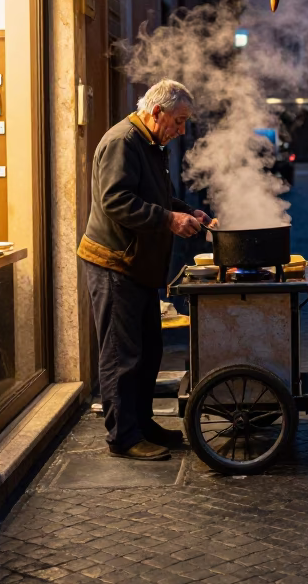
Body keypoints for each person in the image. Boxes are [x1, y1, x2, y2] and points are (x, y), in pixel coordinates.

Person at [77, 79, 212, 460]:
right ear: (157, 113)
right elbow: (116, 201)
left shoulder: (150, 142)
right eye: (180, 121)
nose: (182, 130)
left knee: (150, 350)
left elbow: (151, 195)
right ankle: (123, 437)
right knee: (123, 354)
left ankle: (142, 423)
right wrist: (169, 220)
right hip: (115, 262)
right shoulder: (123, 141)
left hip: (138, 266)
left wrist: (184, 210)